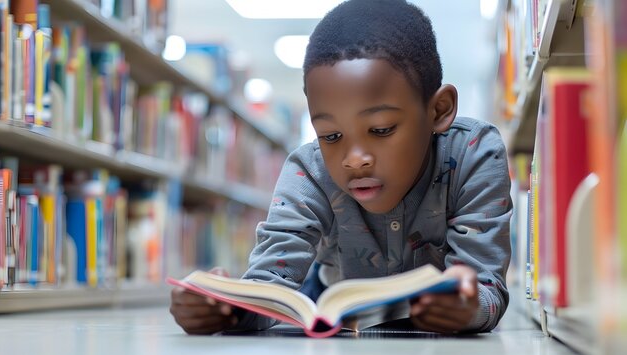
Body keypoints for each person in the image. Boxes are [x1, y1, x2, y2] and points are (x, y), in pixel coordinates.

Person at [170, 0, 512, 335]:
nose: (354, 158)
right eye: (331, 136)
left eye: (381, 130)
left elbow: (486, 288)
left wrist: (469, 305)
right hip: (332, 310)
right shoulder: (309, 170)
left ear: (438, 110)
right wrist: (226, 310)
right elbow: (269, 285)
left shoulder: (475, 153)